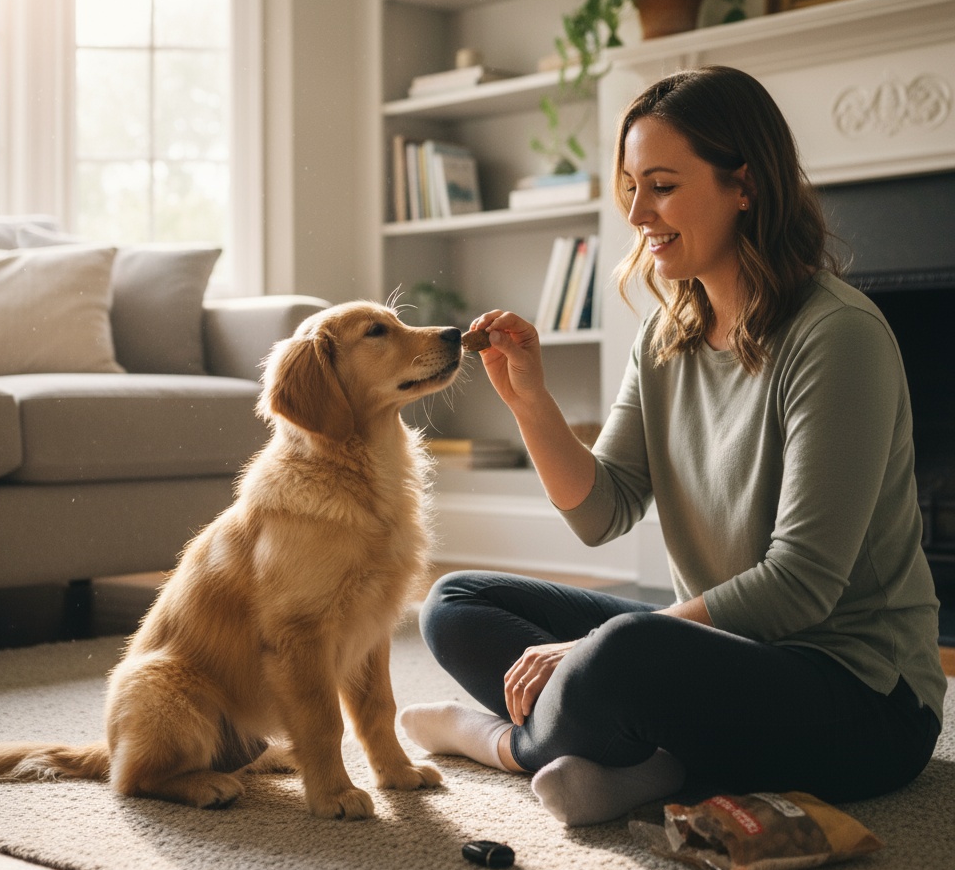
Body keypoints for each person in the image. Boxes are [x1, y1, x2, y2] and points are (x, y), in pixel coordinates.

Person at [399, 65, 945, 827]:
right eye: (631, 186)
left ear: (743, 186)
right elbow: (602, 512)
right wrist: (530, 403)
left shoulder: (836, 335)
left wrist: (592, 647)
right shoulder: (668, 336)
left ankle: (505, 743)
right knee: (455, 602)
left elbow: (800, 585)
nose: (637, 213)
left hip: (865, 697)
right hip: (733, 657)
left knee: (624, 649)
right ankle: (650, 766)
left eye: (660, 185)